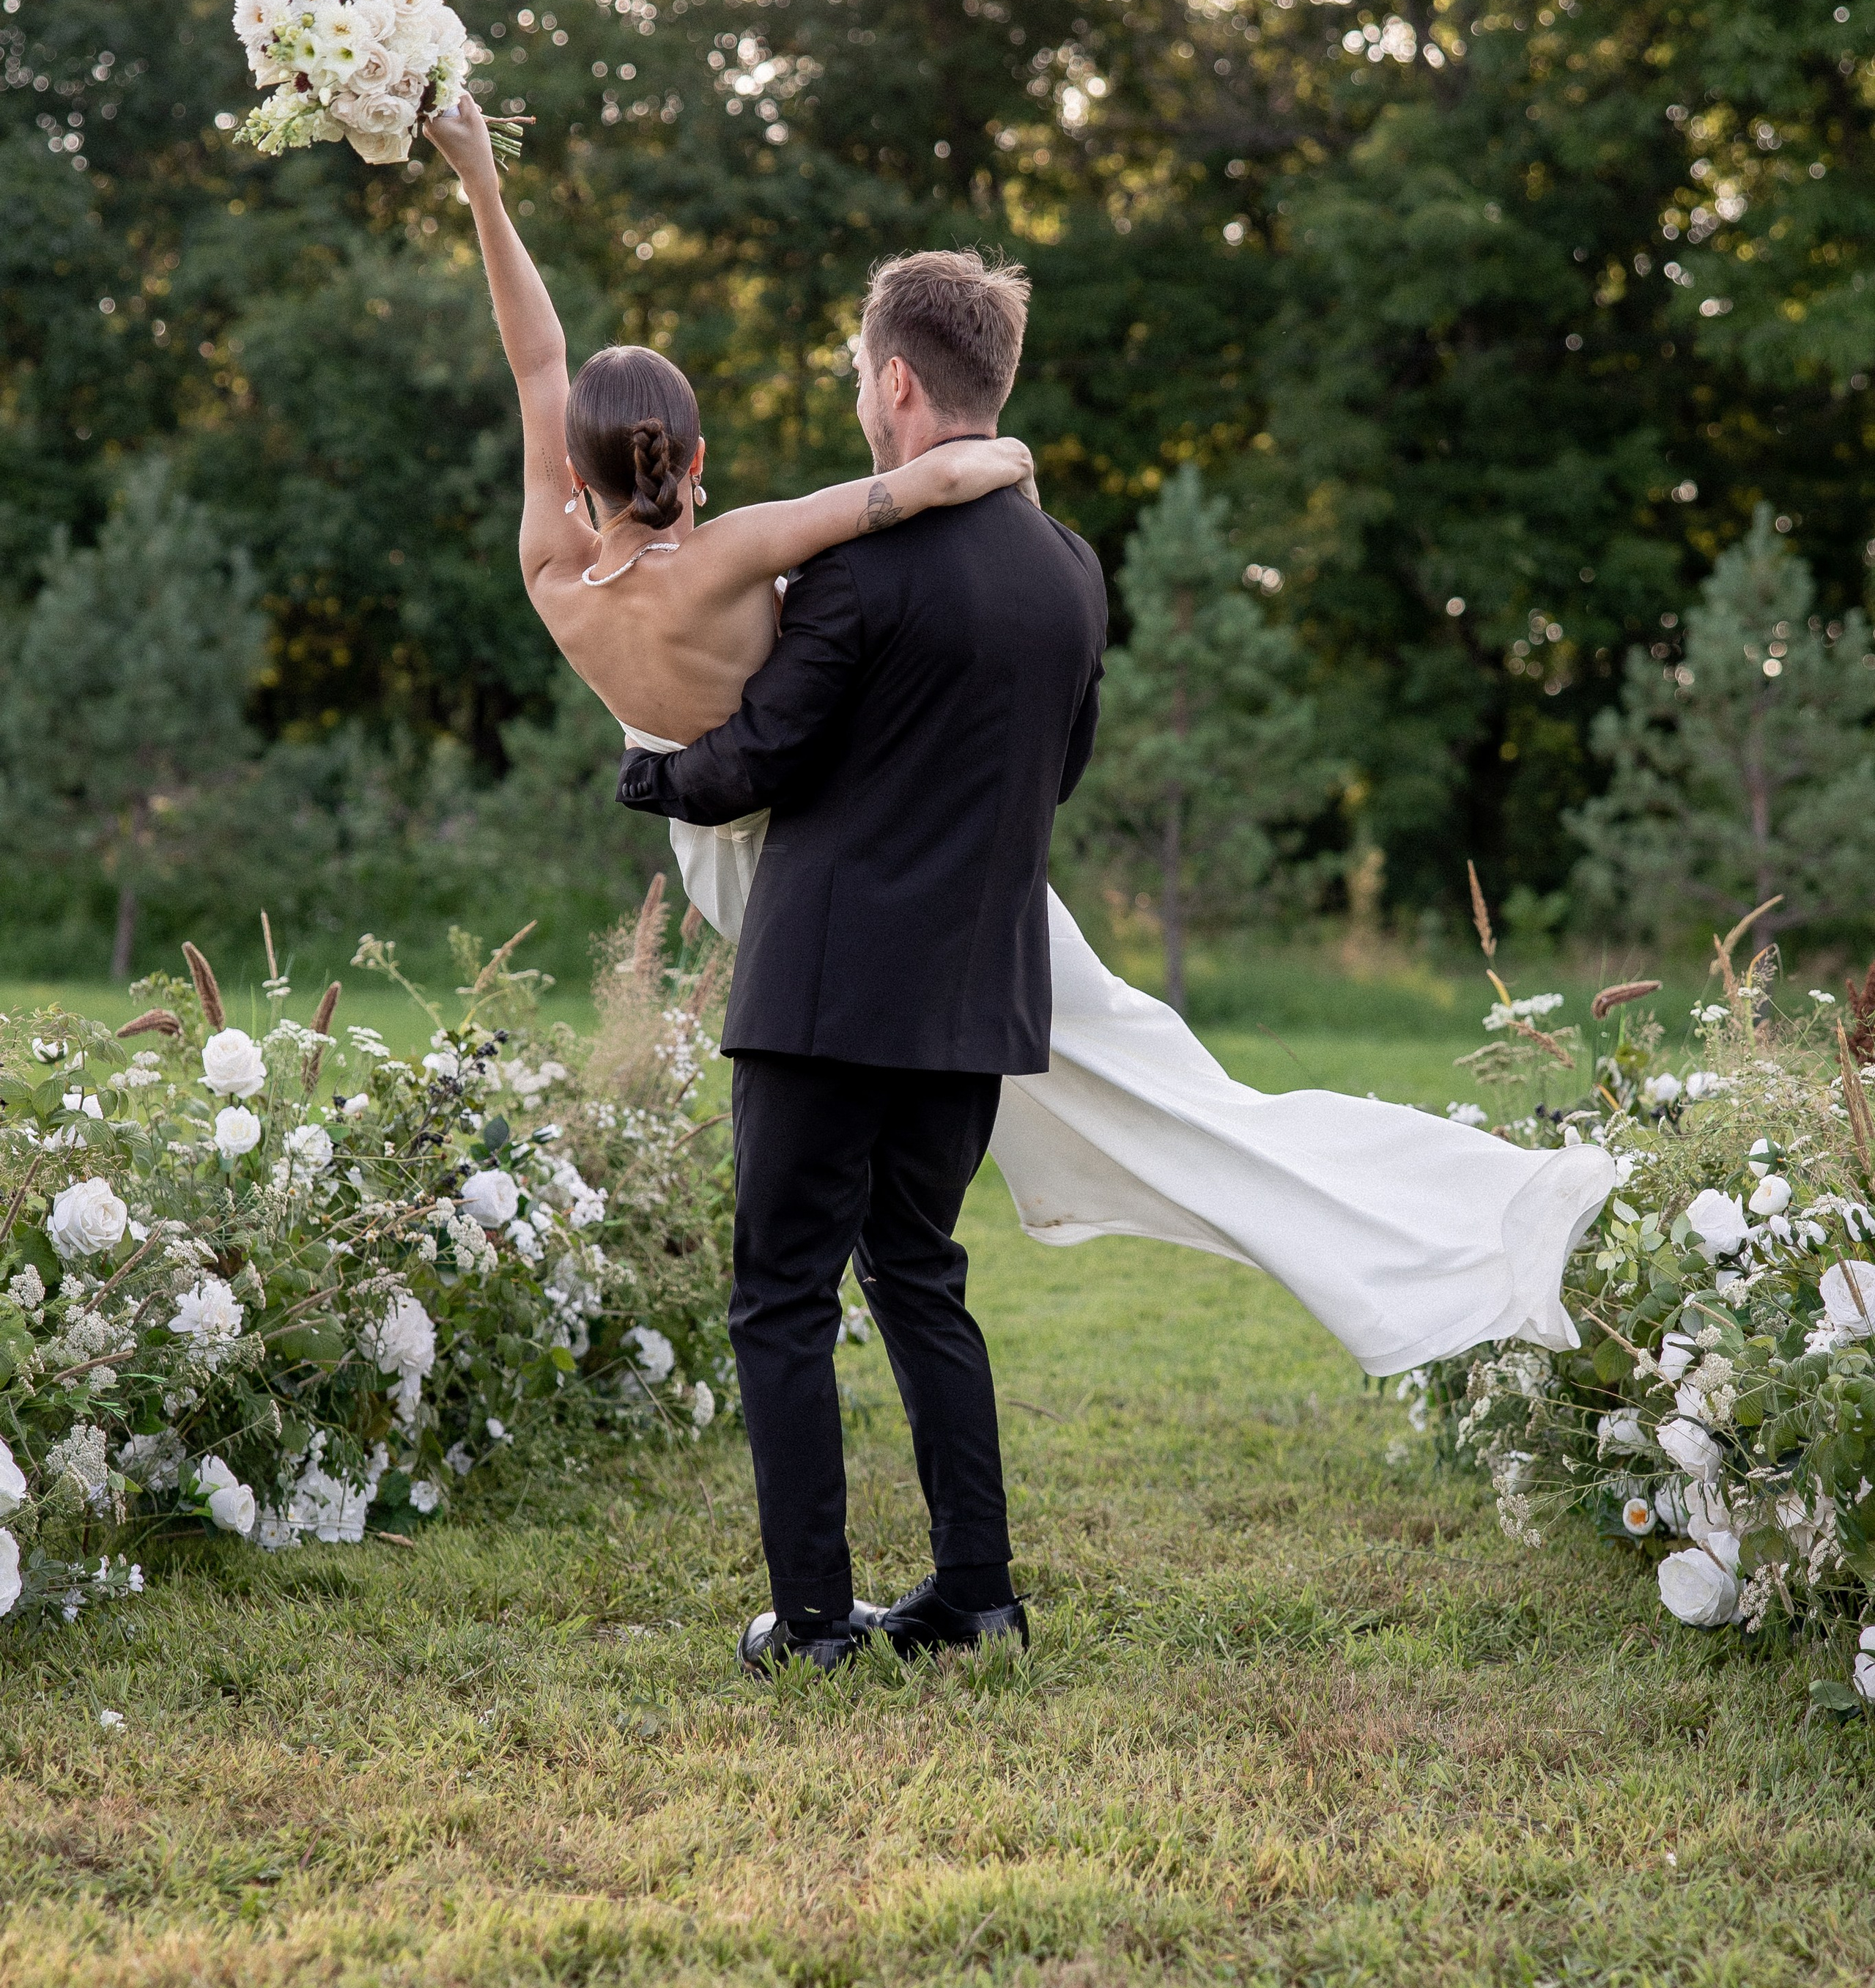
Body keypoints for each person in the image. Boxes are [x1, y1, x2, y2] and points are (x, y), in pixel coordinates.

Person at [427, 93, 1616, 1671]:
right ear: (695, 460)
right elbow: (1048, 763)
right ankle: (976, 1595)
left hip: (811, 964)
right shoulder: (1058, 568)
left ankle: (813, 1621)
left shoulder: (670, 572)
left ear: (895, 383)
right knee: (925, 1273)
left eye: (860, 379)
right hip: (979, 976)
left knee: (781, 1297)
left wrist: (479, 179)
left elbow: (749, 745)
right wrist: (990, 482)